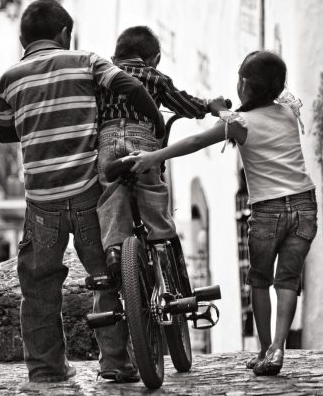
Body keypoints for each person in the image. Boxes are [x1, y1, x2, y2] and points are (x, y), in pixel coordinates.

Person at [0, 0, 165, 383]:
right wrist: (155, 122)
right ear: (64, 34)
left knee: (38, 287)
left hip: (42, 203)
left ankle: (46, 369)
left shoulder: (9, 79)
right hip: (90, 194)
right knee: (107, 276)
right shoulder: (84, 60)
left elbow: (3, 132)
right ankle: (116, 363)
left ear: (24, 38)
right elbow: (129, 84)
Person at [126, 50, 317, 377]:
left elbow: (196, 141)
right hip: (303, 204)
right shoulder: (288, 110)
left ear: (243, 84)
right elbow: (276, 90)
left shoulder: (240, 124)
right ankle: (278, 348)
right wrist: (225, 109)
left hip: (268, 209)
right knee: (288, 281)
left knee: (259, 280)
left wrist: (152, 156)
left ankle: (262, 349)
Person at [96, 25, 228, 282]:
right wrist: (208, 106)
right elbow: (183, 103)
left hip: (108, 139)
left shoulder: (105, 75)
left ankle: (114, 250)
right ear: (154, 59)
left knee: (111, 192)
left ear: (115, 57)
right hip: (141, 137)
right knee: (152, 189)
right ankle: (161, 242)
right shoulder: (156, 78)